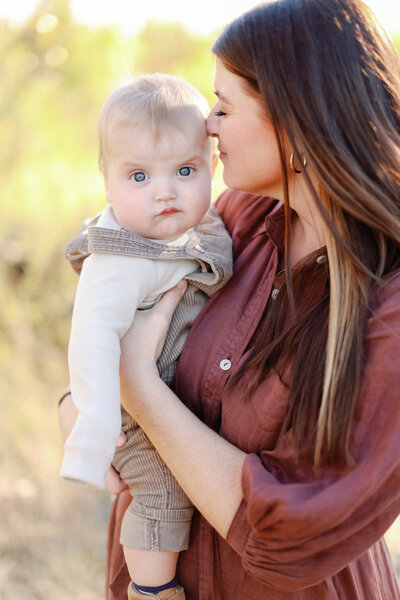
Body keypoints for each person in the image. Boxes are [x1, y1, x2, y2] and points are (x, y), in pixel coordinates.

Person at [59, 0, 400, 598]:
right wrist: (82, 407)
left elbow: (289, 534)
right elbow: (125, 306)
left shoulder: (388, 303)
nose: (207, 125)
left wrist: (133, 381)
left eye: (223, 105)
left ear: (298, 120)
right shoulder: (233, 223)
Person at [59, 73, 232, 600]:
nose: (165, 192)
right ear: (107, 181)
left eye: (184, 170)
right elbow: (90, 340)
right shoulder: (118, 257)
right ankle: (151, 591)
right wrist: (94, 422)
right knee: (160, 493)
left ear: (212, 166)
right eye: (139, 176)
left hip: (166, 395)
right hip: (127, 413)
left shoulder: (198, 228)